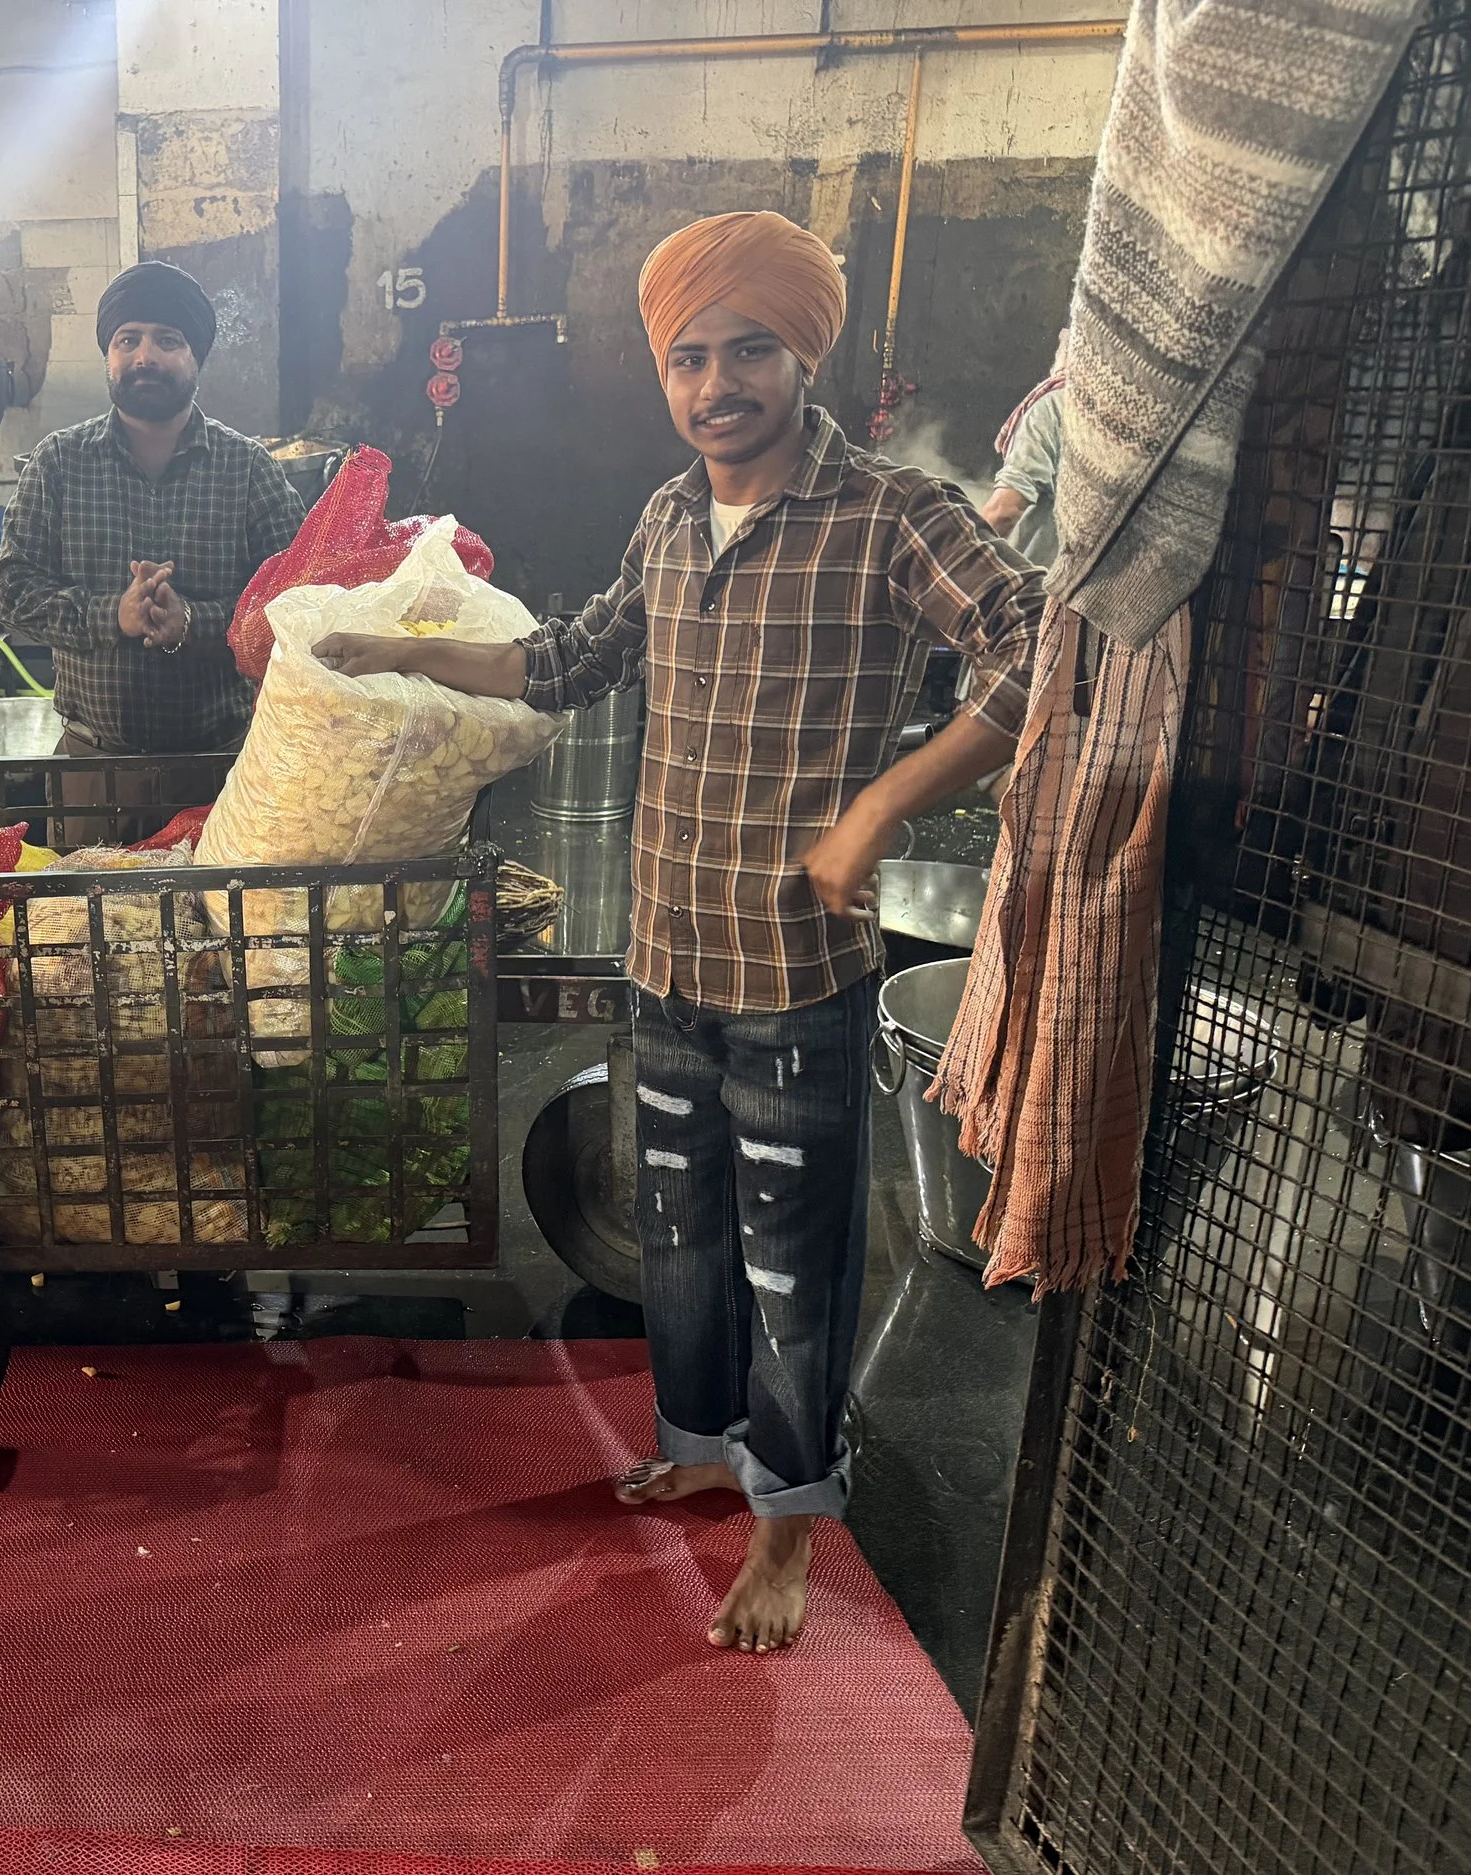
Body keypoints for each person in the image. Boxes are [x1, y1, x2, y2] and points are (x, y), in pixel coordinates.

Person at [316, 211, 1041, 1653]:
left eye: (749, 348)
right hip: (667, 962)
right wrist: (398, 647)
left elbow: (1045, 657)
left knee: (793, 1257)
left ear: (804, 354)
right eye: (689, 356)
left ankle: (790, 1523)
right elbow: (566, 662)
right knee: (685, 1235)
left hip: (793, 976)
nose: (718, 382)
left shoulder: (895, 517)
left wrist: (883, 804)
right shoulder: (663, 519)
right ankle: (706, 1442)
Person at [0, 260, 306, 767]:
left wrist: (193, 622)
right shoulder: (58, 463)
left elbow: (297, 600)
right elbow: (11, 589)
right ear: (108, 355)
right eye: (127, 339)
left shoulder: (248, 468)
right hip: (90, 767)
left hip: (224, 770)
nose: (145, 357)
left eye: (168, 340)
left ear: (195, 357)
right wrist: (112, 615)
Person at [980, 327, 1068, 568]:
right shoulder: (1137, 414)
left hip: (1040, 589)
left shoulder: (1054, 408)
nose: (1060, 339)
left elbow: (1004, 511)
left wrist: (954, 559)